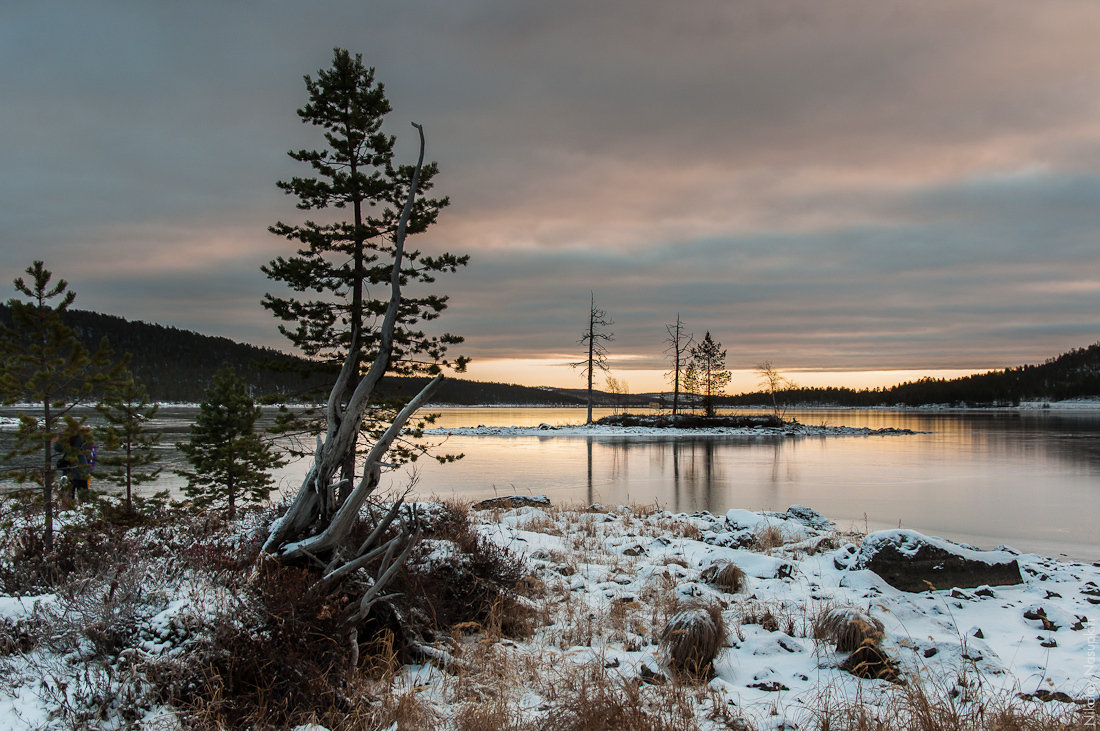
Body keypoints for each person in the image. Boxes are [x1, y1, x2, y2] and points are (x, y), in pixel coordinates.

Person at [54, 433, 93, 500]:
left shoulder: (68, 438)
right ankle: (84, 507)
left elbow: (57, 448)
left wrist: (60, 439)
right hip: (81, 469)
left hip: (70, 469)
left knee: (68, 496)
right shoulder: (82, 437)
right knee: (83, 496)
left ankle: (70, 507)